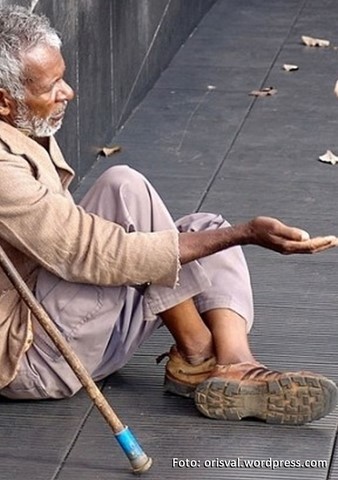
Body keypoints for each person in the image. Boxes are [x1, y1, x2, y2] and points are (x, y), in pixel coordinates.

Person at [0, 6, 336, 426]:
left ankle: (234, 361)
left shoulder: (25, 123)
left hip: (79, 332)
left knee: (207, 231)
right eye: (52, 86)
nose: (68, 92)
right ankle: (198, 353)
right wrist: (245, 234)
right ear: (3, 101)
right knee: (126, 189)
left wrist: (231, 235)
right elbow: (86, 252)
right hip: (41, 358)